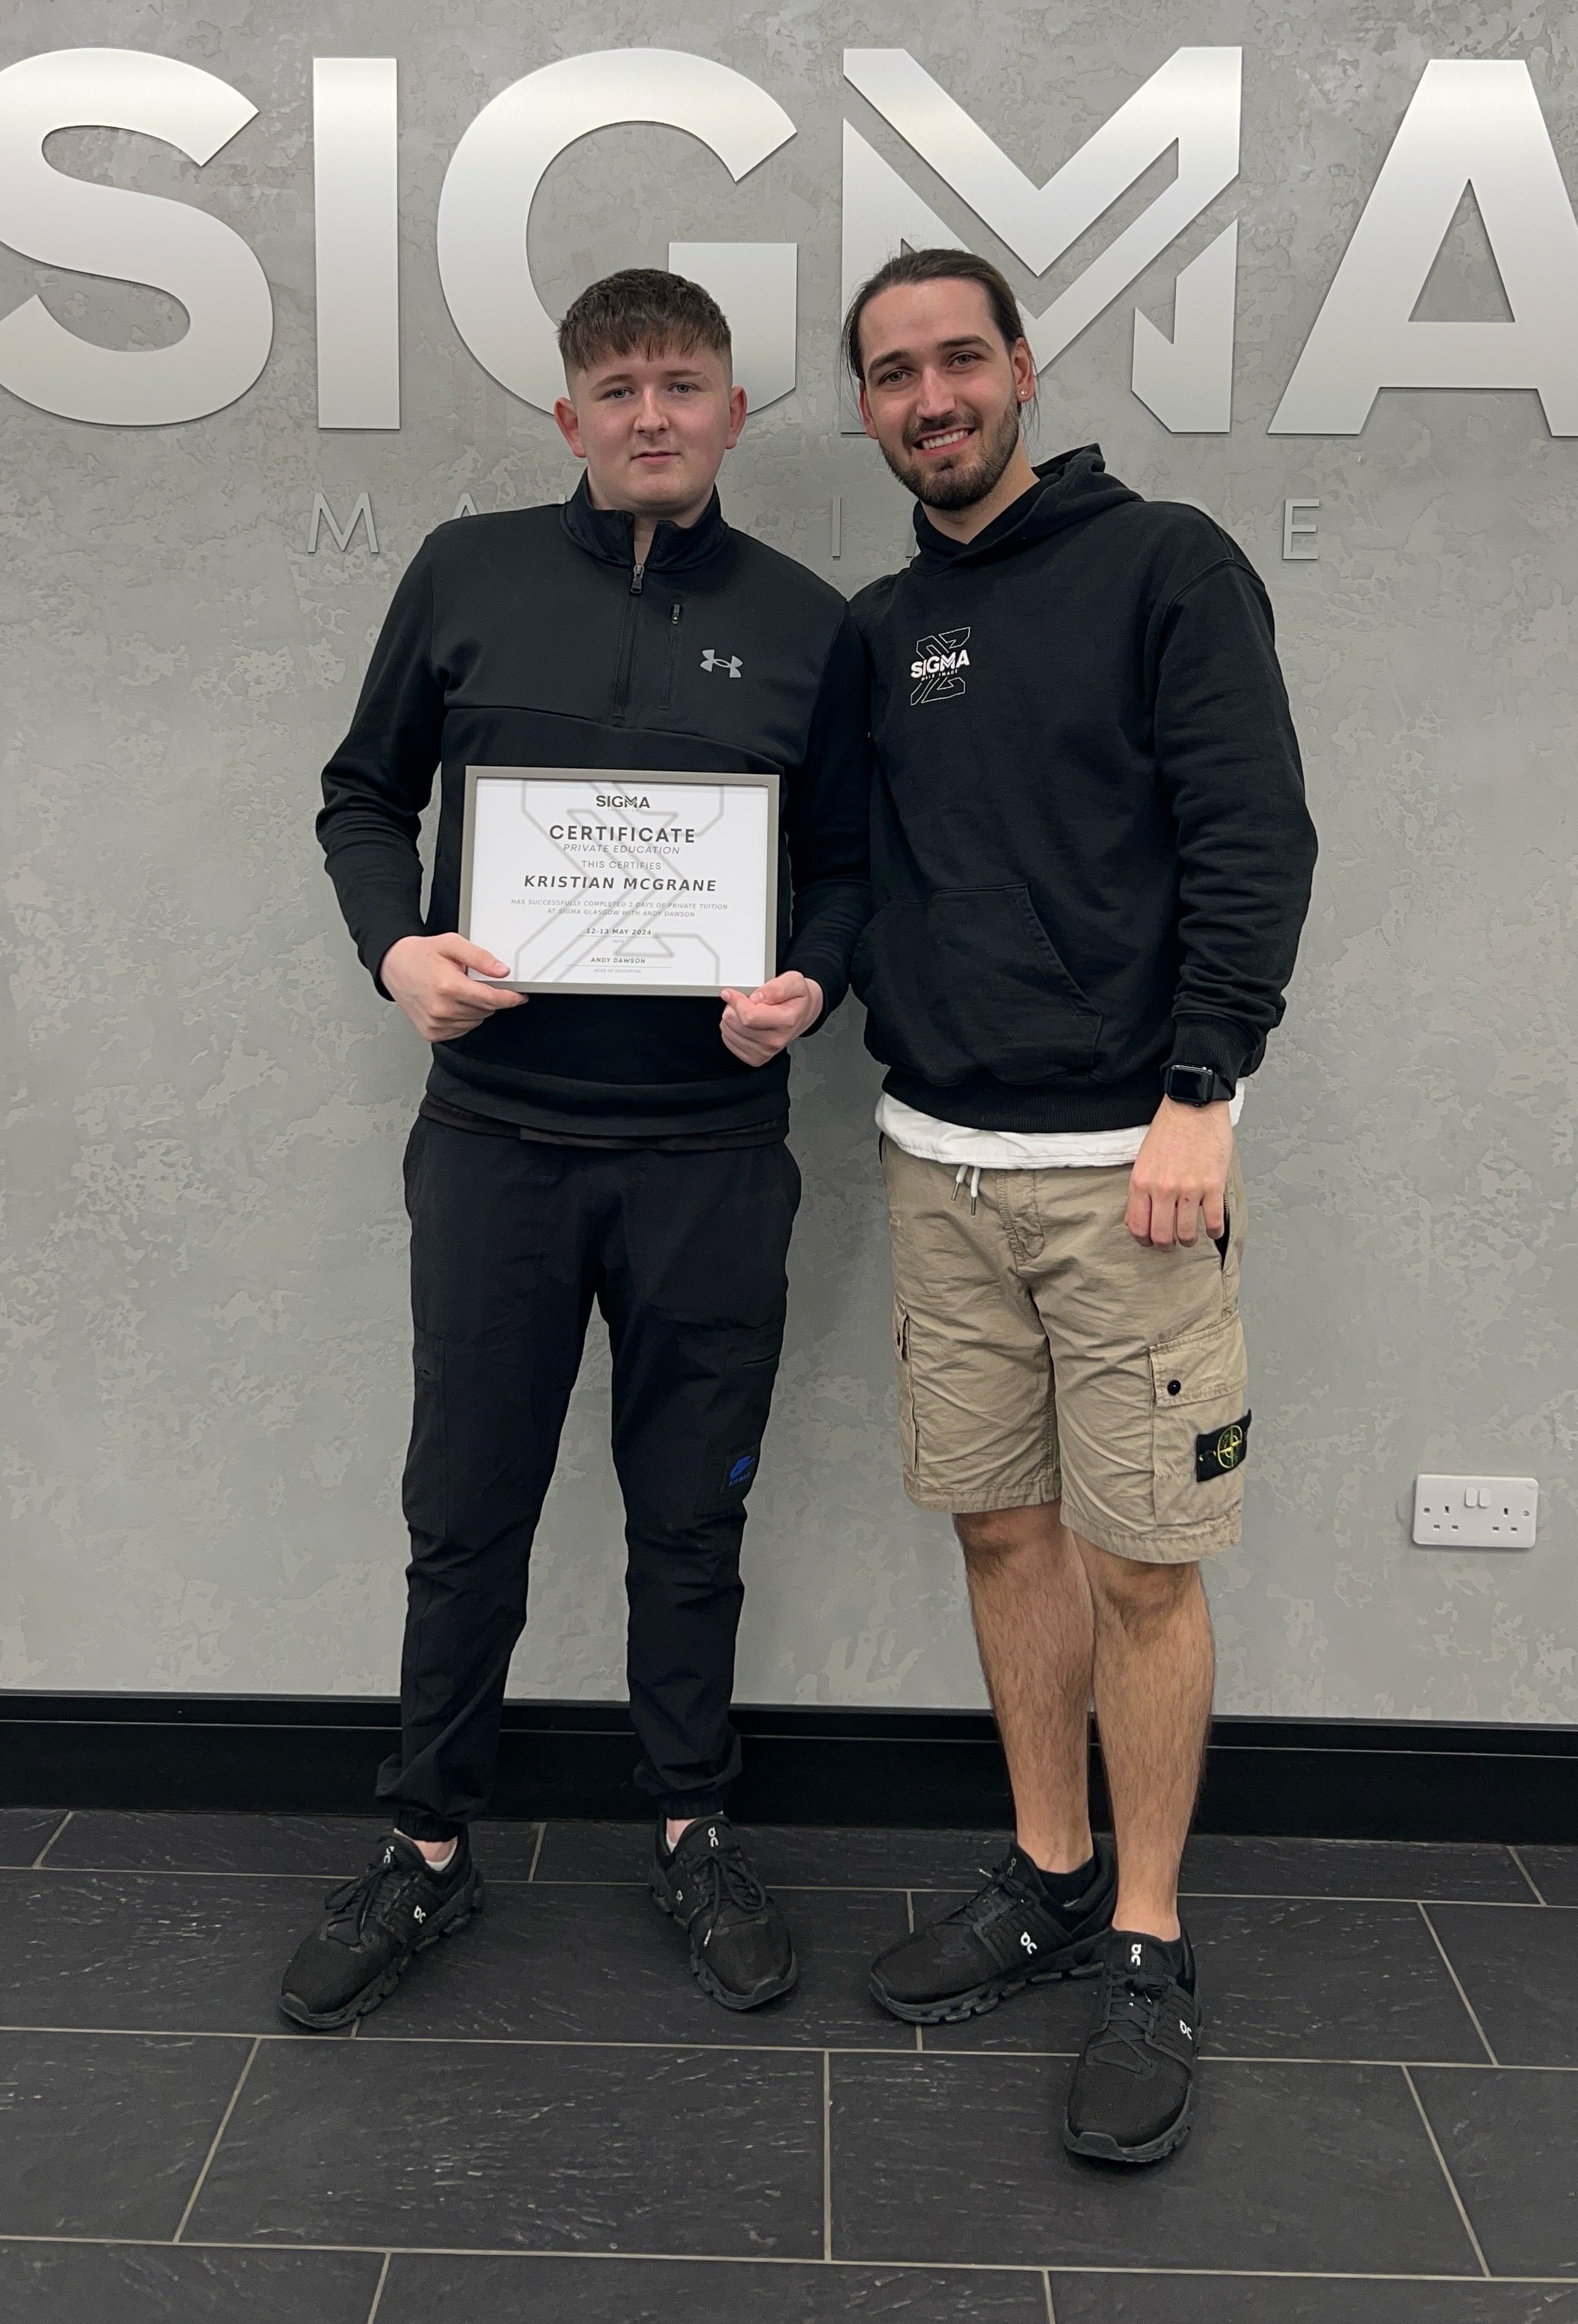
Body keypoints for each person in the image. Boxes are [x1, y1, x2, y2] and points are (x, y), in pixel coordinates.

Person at [280, 269, 868, 2030]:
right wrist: (399, 950)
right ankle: (430, 1848)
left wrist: (813, 985)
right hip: (495, 1151)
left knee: (692, 1518)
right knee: (465, 1509)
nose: (650, 415)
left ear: (731, 413)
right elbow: (359, 796)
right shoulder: (463, 578)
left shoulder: (809, 623)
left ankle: (690, 1829)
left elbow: (842, 865)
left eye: (682, 384)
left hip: (710, 1156)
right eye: (615, 389)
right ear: (568, 417)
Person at [845, 247, 1316, 2165]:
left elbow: (1251, 830)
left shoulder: (1164, 567)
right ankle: (1043, 1872)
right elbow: (852, 862)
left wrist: (1203, 1087)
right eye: (891, 374)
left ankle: (1143, 1934)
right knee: (1001, 1539)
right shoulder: (879, 630)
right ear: (868, 409)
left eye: (959, 358)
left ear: (1022, 371)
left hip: (1128, 1172)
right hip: (932, 1161)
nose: (930, 397)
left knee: (1142, 1564)